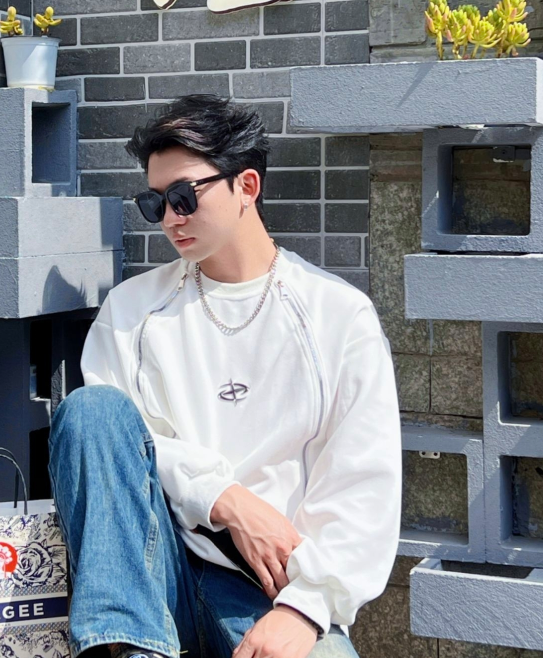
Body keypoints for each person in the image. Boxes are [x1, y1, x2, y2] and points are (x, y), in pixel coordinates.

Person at [48, 95, 402, 658]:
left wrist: (305, 609)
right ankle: (131, 647)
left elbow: (364, 484)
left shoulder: (337, 315)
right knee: (91, 411)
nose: (170, 218)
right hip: (155, 570)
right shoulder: (133, 309)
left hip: (270, 590)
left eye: (184, 196)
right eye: (155, 202)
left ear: (247, 186)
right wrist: (223, 498)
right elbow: (113, 450)